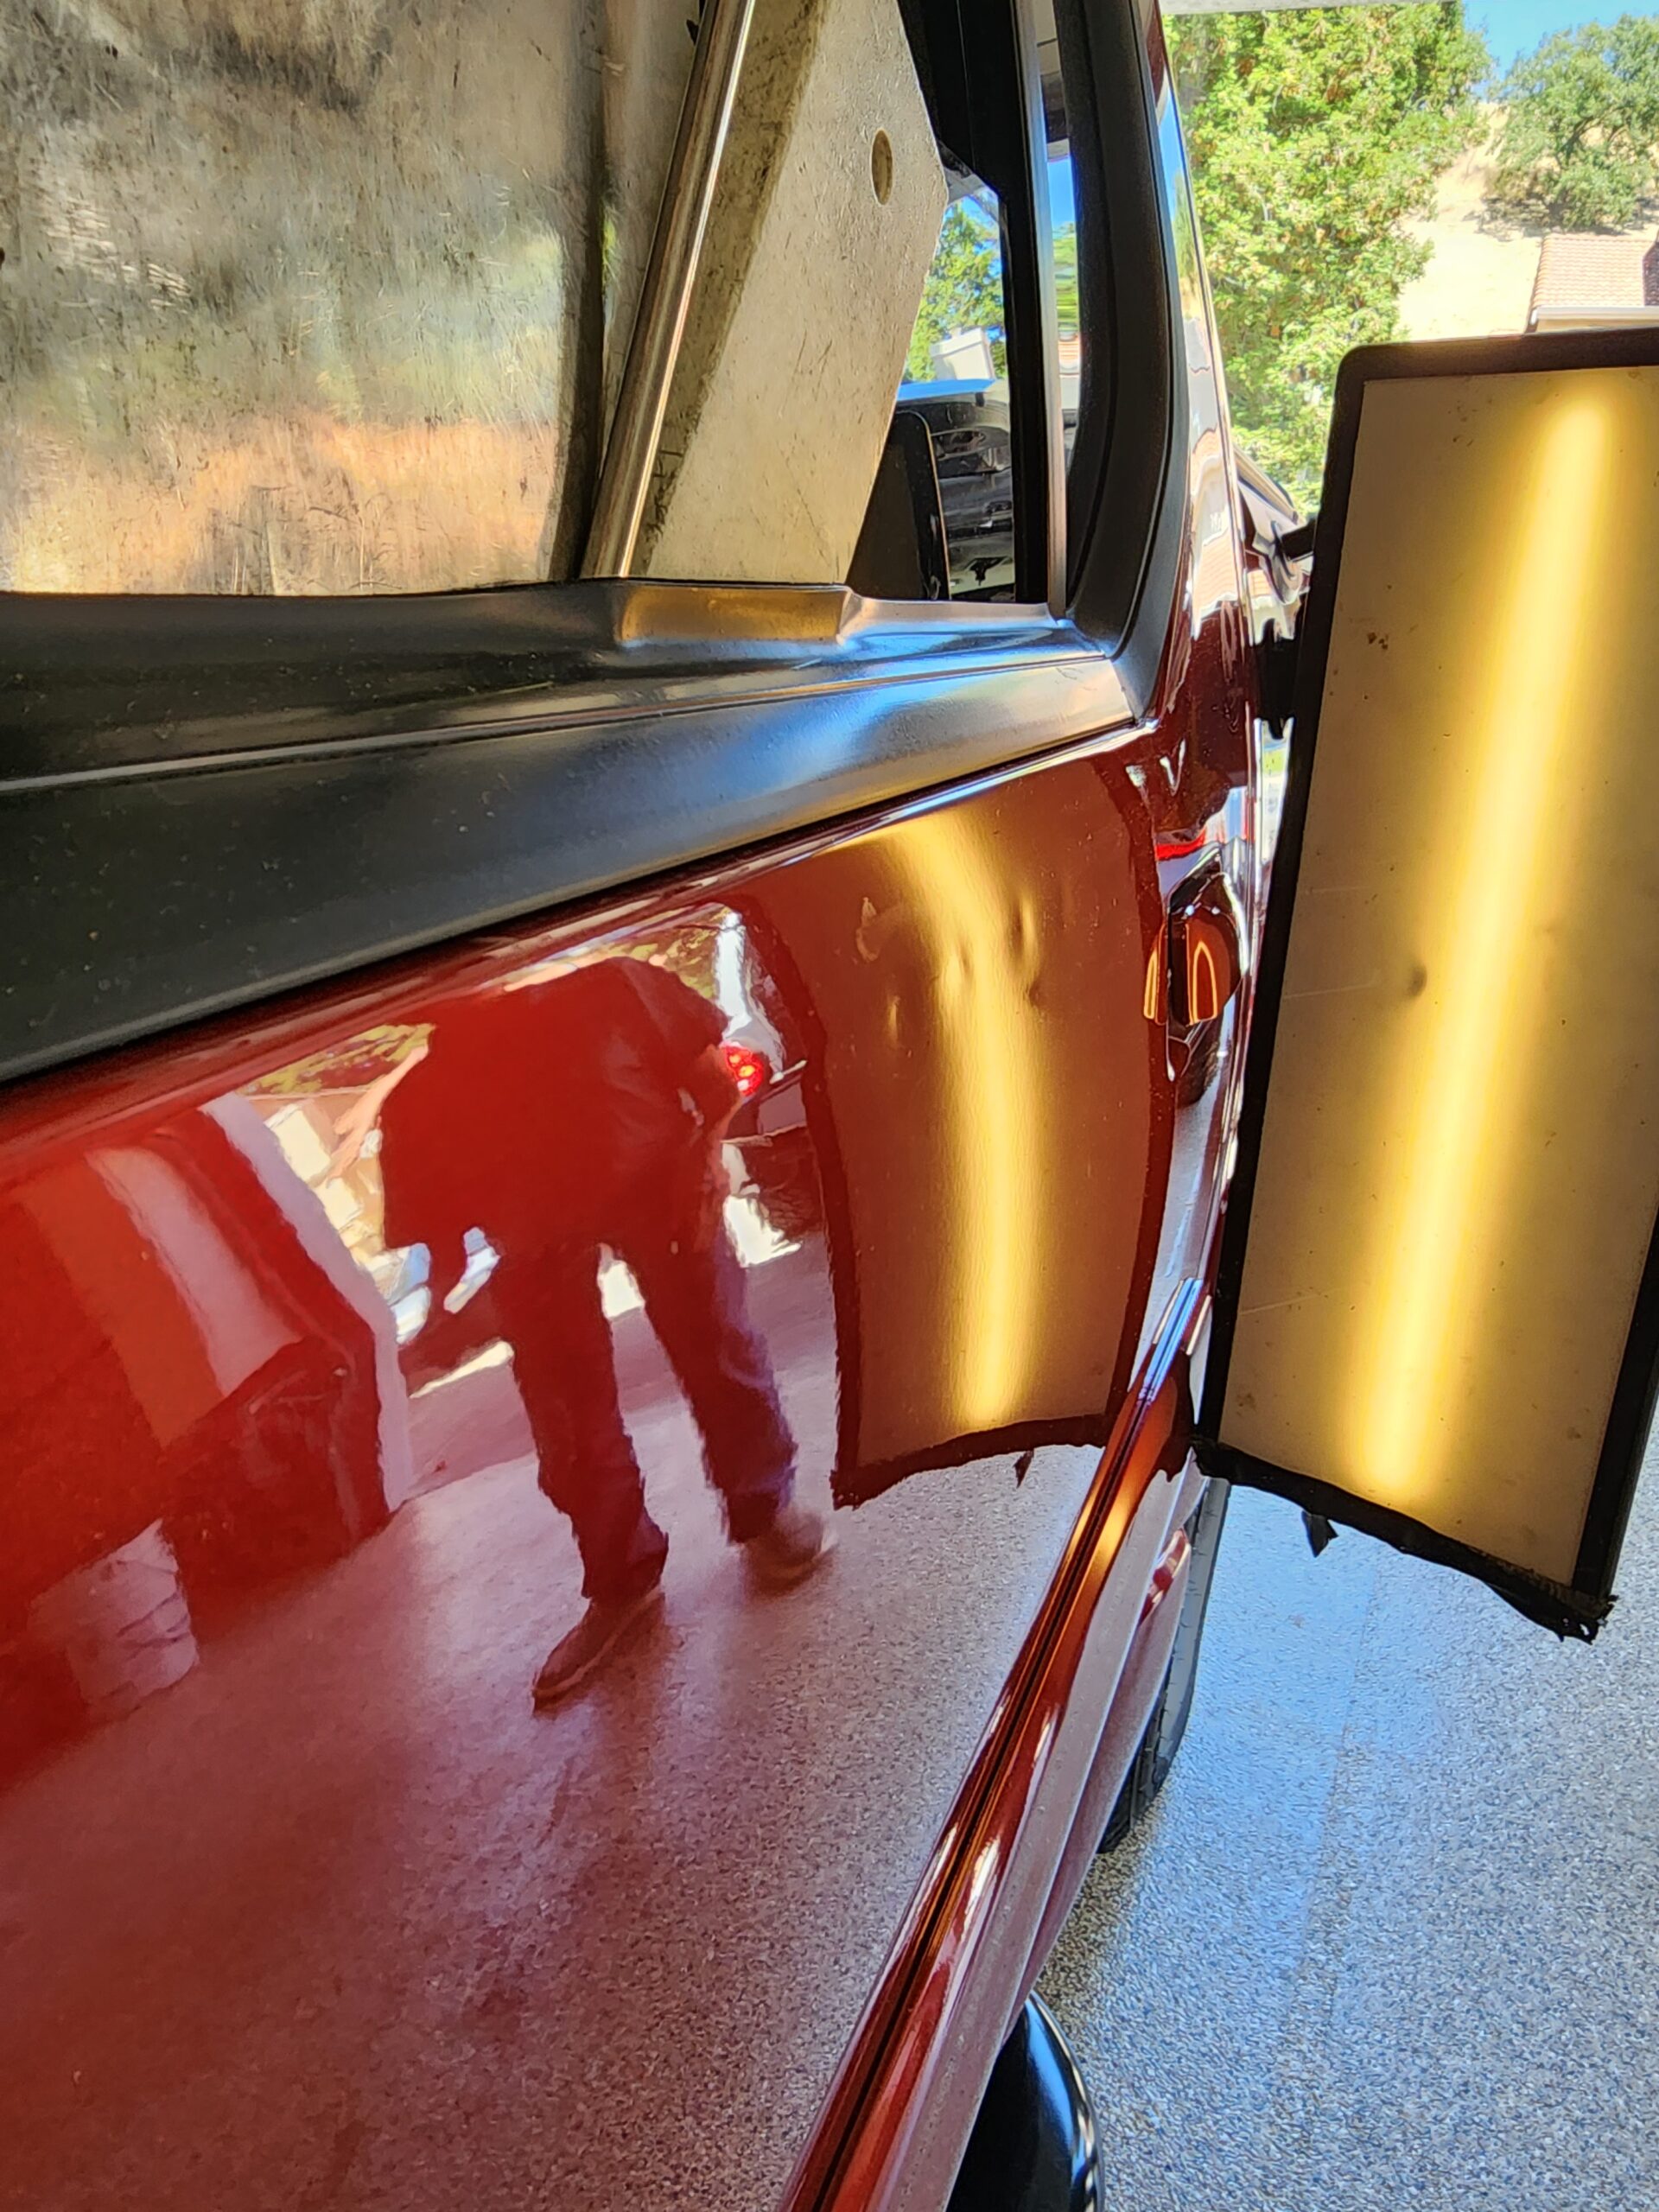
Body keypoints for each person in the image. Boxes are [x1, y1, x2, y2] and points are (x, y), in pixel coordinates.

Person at [377, 956, 830, 1705]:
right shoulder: (418, 1103)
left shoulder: (616, 990)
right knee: (567, 1419)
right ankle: (621, 1581)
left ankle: (766, 1510)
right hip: (533, 1249)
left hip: (666, 1187)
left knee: (717, 1348)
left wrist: (708, 1166)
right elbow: (444, 1244)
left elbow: (716, 1084)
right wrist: (439, 1321)